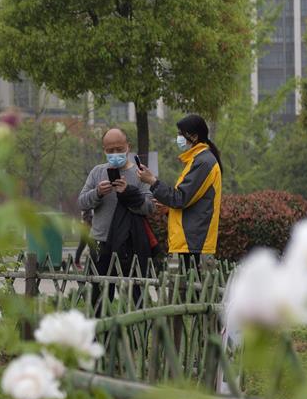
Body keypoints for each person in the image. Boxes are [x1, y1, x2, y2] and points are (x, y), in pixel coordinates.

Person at [78, 127, 154, 309]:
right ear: (104, 150)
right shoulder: (98, 172)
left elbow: (149, 207)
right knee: (100, 297)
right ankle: (98, 335)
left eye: (119, 149)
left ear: (128, 147)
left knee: (135, 296)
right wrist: (97, 193)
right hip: (100, 242)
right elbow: (82, 202)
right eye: (110, 150)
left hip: (130, 244)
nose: (115, 154)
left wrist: (128, 193)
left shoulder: (140, 173)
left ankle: (137, 333)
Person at [136, 114, 222, 273]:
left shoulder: (203, 162)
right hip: (188, 243)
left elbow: (179, 198)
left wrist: (153, 181)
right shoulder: (197, 160)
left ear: (194, 136)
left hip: (194, 245)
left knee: (193, 295)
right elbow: (189, 200)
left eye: (181, 134)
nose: (178, 137)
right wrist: (169, 208)